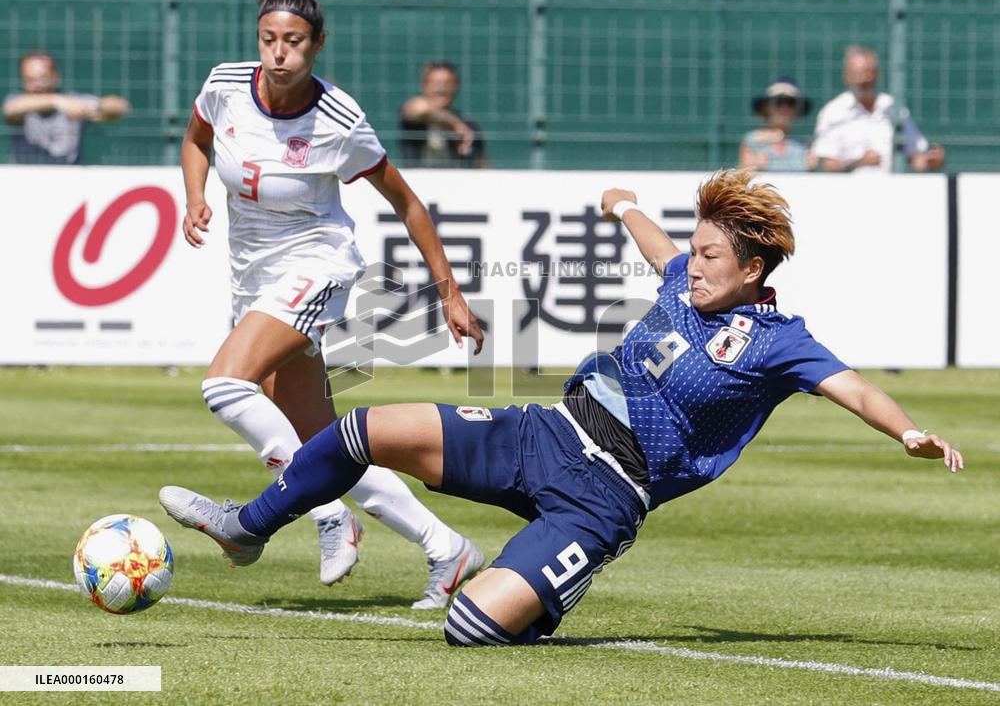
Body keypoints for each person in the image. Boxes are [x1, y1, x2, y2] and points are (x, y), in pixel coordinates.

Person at [160, 169, 964, 644]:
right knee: (359, 430)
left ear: (752, 270)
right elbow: (655, 242)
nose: (692, 264)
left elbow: (855, 387)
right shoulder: (683, 276)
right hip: (547, 431)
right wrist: (621, 205)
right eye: (695, 249)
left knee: (471, 629)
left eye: (710, 255)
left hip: (605, 498)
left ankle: (533, 581)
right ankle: (246, 528)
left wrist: (908, 430)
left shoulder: (780, 341)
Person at [177, 0, 486, 609]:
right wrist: (194, 196)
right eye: (268, 38)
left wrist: (450, 293)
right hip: (252, 277)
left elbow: (407, 203)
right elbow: (196, 140)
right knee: (324, 444)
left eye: (293, 41)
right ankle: (447, 548)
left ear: (317, 44)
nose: (278, 52)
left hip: (317, 264)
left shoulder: (338, 119)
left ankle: (324, 515)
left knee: (224, 386)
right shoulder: (225, 86)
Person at [812, 46, 945, 173]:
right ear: (846, 76)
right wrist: (858, 163)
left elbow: (914, 155)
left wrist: (930, 161)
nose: (862, 80)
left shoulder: (893, 108)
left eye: (867, 73)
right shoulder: (833, 112)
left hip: (892, 186)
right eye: (855, 74)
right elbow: (826, 165)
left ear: (877, 75)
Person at [2, 51, 131, 164]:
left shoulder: (73, 101)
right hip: (25, 177)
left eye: (42, 78)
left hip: (69, 177)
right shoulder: (18, 102)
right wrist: (55, 100)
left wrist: (99, 107)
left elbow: (121, 107)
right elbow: (11, 109)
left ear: (55, 76)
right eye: (30, 80)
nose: (37, 85)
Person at [398, 62, 486, 168]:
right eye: (435, 83)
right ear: (424, 85)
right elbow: (416, 108)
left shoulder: (469, 126)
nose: (441, 88)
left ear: (456, 86)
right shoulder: (414, 117)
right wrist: (454, 123)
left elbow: (481, 163)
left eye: (448, 83)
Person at [739, 76, 816, 172]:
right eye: (778, 102)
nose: (784, 108)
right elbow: (743, 173)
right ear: (766, 107)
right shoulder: (752, 140)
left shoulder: (805, 145)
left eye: (790, 103)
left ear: (797, 109)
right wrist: (754, 165)